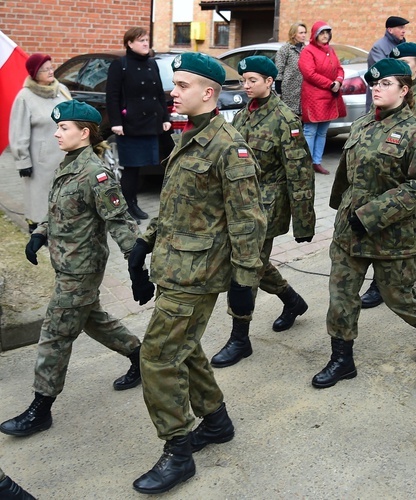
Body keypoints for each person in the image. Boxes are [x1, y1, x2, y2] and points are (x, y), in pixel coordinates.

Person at [129, 52, 266, 495]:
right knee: (183, 350)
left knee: (157, 357)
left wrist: (245, 282)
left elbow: (249, 219)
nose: (173, 91)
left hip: (199, 274)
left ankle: (178, 452)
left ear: (208, 93)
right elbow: (176, 203)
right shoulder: (189, 136)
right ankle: (217, 421)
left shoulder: (229, 145)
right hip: (174, 264)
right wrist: (144, 242)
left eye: (182, 85)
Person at [0, 100, 148, 439]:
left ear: (84, 132)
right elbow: (58, 210)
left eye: (63, 128)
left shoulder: (95, 174)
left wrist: (136, 268)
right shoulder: (68, 165)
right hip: (66, 263)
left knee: (55, 333)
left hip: (81, 269)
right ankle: (139, 355)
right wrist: (39, 234)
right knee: (91, 319)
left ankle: (41, 408)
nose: (56, 133)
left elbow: (120, 221)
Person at [312, 58, 416, 389]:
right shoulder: (361, 126)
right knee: (341, 294)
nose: (377, 88)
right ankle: (342, 359)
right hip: (350, 233)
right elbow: (345, 176)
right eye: (375, 83)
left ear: (404, 89)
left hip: (395, 234)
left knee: (396, 294)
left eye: (385, 83)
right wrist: (341, 212)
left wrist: (370, 215)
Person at [210, 56, 316, 368]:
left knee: (246, 268)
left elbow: (300, 173)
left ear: (270, 82)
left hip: (268, 206)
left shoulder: (285, 120)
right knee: (254, 263)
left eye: (253, 80)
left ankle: (239, 338)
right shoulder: (243, 115)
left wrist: (304, 223)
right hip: (240, 201)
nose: (246, 85)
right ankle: (293, 302)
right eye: (244, 80)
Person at [357, 42, 416, 311]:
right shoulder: (383, 101)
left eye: (406, 64)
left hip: (404, 182)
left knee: (401, 234)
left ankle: (395, 276)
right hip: (379, 180)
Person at [105, 27, 171, 223]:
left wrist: (165, 118)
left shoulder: (152, 64)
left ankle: (134, 204)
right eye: (141, 40)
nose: (145, 43)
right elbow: (112, 96)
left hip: (151, 124)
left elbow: (159, 94)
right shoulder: (120, 65)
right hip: (130, 125)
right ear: (129, 43)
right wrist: (116, 122)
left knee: (141, 168)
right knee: (131, 169)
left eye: (146, 40)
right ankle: (128, 205)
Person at [9, 53, 71, 234]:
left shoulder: (62, 90)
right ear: (35, 73)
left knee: (63, 194)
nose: (51, 71)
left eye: (51, 67)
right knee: (38, 196)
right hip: (40, 159)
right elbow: (18, 131)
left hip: (64, 155)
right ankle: (36, 227)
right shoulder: (25, 96)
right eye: (45, 69)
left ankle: (61, 225)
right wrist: (23, 161)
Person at [298, 21, 347, 175]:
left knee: (322, 132)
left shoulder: (330, 50)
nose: (325, 36)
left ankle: (316, 162)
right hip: (314, 96)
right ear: (315, 35)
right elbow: (309, 73)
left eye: (327, 33)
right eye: (322, 33)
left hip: (330, 95)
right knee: (310, 131)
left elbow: (339, 68)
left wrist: (338, 81)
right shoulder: (308, 51)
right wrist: (330, 84)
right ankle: (305, 164)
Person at [366, 15, 409, 110]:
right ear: (390, 30)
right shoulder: (379, 48)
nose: (404, 31)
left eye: (404, 28)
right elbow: (384, 72)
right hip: (382, 97)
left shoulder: (404, 46)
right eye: (400, 27)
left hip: (399, 96)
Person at [274, 22, 307, 115]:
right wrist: (278, 91)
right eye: (301, 33)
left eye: (305, 32)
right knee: (290, 118)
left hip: (303, 90)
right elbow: (279, 70)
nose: (304, 35)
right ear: (293, 34)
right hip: (289, 90)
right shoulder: (285, 49)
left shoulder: (306, 49)